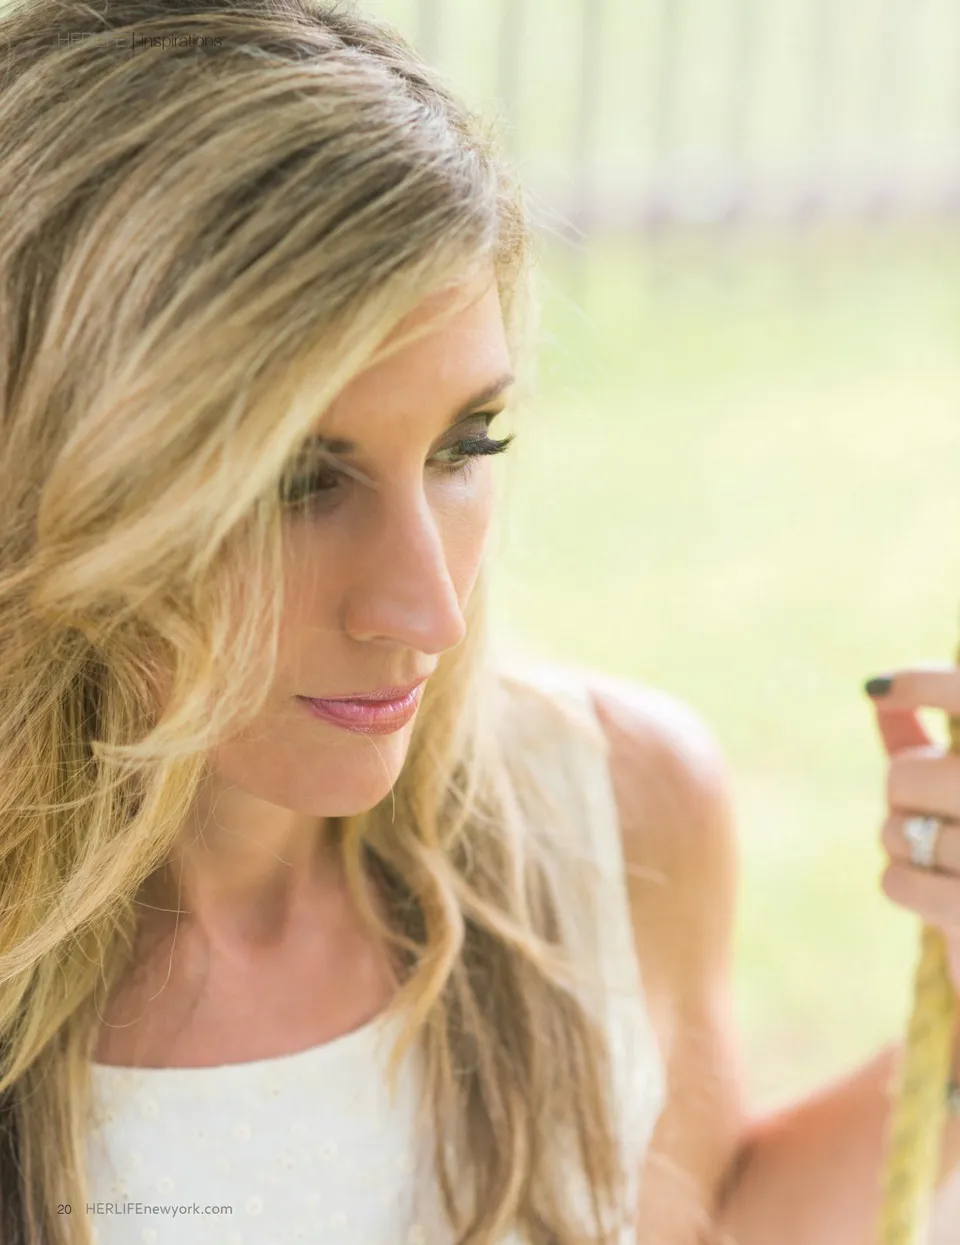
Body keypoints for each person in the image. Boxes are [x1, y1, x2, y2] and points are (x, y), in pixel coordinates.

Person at [2, 2, 960, 1245]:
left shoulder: (613, 810)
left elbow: (696, 1222)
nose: (431, 610)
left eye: (466, 445)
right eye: (295, 482)